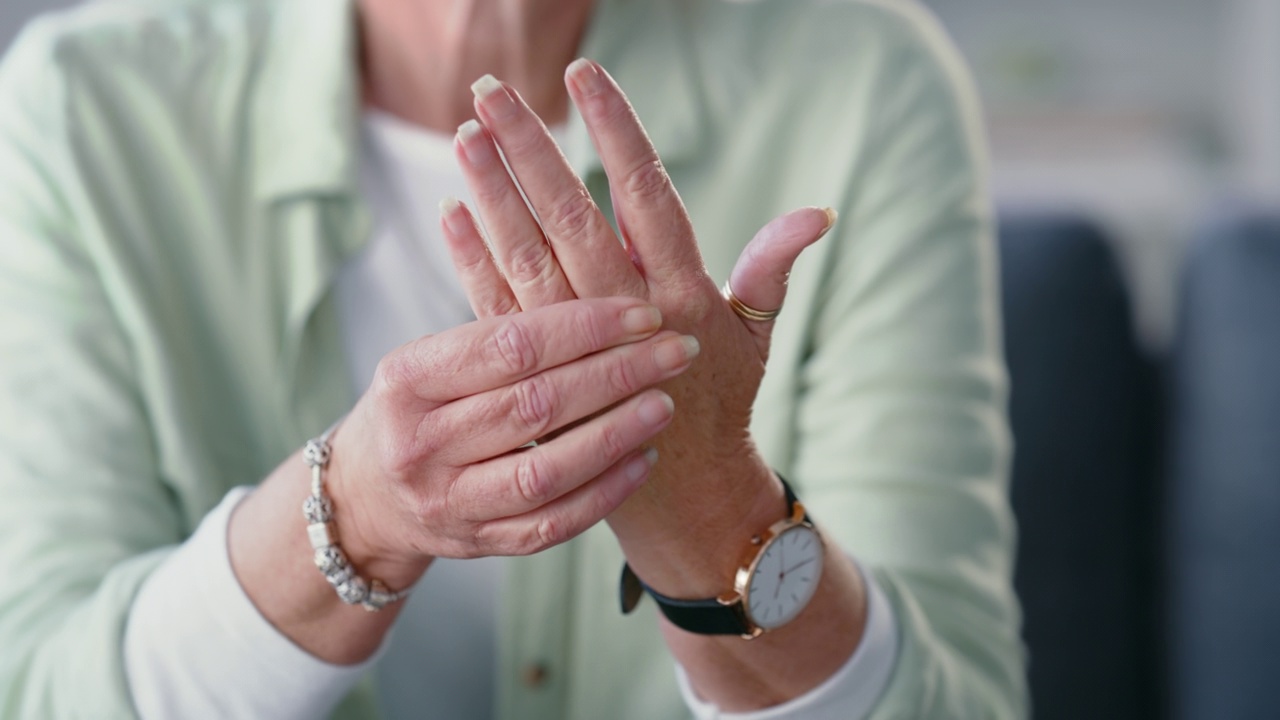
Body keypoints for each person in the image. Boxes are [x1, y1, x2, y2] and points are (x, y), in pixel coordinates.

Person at [0, 0, 1025, 717]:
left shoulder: (862, 83)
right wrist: (349, 515)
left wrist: (713, 513)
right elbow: (41, 691)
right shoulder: (79, 111)